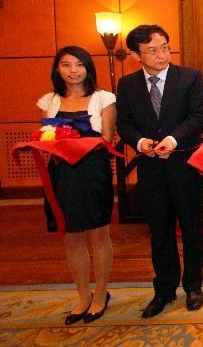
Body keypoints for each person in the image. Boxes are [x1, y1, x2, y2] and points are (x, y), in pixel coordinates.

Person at [116, 24, 203, 318]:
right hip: (151, 169)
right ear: (136, 55)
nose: (161, 54)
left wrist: (172, 139)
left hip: (184, 166)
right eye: (152, 50)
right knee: (159, 231)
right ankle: (164, 290)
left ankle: (193, 286)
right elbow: (124, 125)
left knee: (192, 228)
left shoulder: (189, 77)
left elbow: (197, 117)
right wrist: (142, 142)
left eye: (165, 47)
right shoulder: (128, 85)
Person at [37, 46, 116, 324]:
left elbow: (107, 138)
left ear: (88, 68)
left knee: (98, 235)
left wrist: (74, 141)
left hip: (92, 172)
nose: (73, 70)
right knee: (71, 237)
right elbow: (45, 137)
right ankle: (83, 296)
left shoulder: (103, 98)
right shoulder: (49, 100)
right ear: (57, 69)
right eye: (66, 65)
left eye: (79, 64)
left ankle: (101, 294)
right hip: (61, 174)